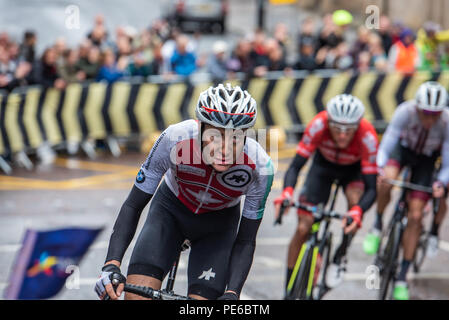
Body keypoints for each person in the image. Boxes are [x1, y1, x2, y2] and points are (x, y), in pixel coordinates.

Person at [95, 83, 274, 300]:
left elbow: (246, 240)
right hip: (170, 212)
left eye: (235, 138)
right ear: (199, 127)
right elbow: (134, 205)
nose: (224, 149)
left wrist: (232, 292)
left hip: (217, 228)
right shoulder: (175, 139)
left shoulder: (260, 167)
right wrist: (111, 264)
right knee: (135, 297)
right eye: (214, 136)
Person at [274, 94, 378, 295]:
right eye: (337, 129)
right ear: (328, 122)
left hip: (353, 171)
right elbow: (295, 166)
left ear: (357, 126)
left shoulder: (368, 136)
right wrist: (287, 193)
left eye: (348, 131)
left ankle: (340, 254)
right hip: (323, 167)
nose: (341, 136)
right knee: (303, 227)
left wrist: (357, 212)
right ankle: (289, 290)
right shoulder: (318, 124)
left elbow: (372, 188)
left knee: (355, 204)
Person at [363, 81, 449, 300]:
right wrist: (380, 168)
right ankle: (378, 224)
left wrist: (440, 182)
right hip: (404, 150)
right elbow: (388, 143)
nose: (429, 119)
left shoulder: (447, 121)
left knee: (416, 215)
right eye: (426, 113)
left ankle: (402, 277)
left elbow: (448, 161)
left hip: (427, 161)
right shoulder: (405, 111)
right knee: (386, 181)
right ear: (418, 108)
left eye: (435, 114)